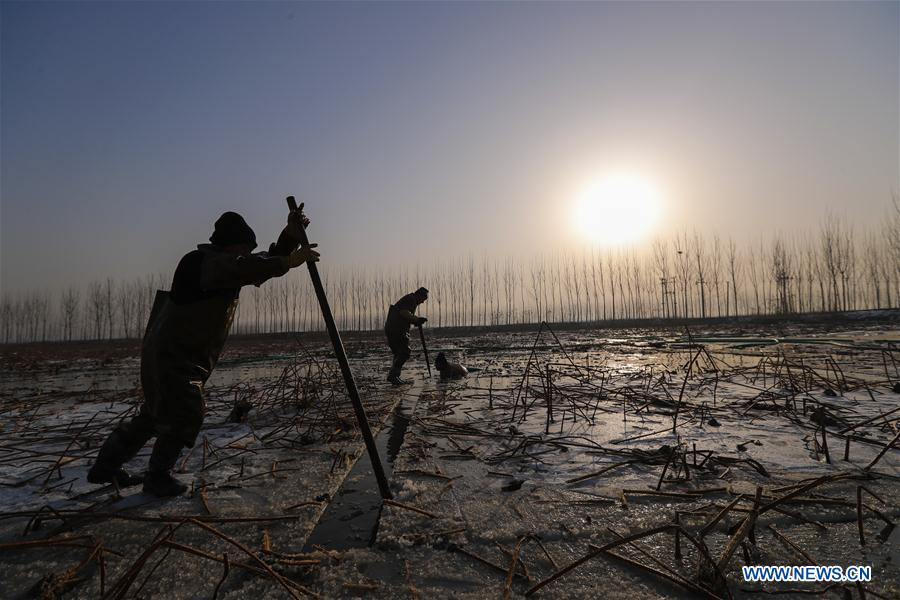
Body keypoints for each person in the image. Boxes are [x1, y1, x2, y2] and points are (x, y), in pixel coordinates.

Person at [87, 206, 320, 497]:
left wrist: (288, 237)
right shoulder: (201, 262)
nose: (248, 254)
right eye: (245, 249)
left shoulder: (226, 266)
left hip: (175, 356)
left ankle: (105, 468)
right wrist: (287, 260)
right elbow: (247, 267)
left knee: (153, 415)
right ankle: (157, 477)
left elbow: (259, 263)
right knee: (185, 412)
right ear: (231, 245)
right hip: (173, 357)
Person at [384, 287, 428, 385]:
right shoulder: (411, 299)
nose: (422, 302)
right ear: (419, 296)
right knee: (404, 352)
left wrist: (415, 321)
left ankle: (394, 377)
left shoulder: (411, 299)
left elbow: (405, 315)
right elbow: (403, 313)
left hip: (393, 328)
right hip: (396, 329)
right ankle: (393, 376)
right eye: (423, 299)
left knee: (398, 353)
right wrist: (416, 320)